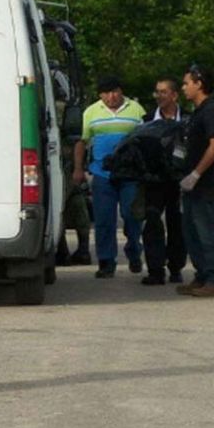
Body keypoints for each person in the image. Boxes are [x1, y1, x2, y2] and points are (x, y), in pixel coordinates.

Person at [73, 76, 145, 278]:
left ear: (121, 91)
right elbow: (82, 142)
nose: (111, 97)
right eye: (106, 93)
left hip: (130, 174)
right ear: (100, 95)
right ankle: (106, 261)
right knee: (104, 219)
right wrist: (78, 169)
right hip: (102, 174)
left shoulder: (136, 110)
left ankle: (134, 250)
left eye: (115, 92)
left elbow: (145, 140)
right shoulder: (91, 112)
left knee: (132, 216)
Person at [175, 65, 214, 297]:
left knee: (208, 231)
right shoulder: (197, 112)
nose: (183, 87)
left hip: (207, 183)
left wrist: (197, 174)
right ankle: (202, 275)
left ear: (199, 84)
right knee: (192, 232)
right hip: (192, 184)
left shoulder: (212, 111)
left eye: (187, 83)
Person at [139, 77, 190, 285]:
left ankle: (176, 267)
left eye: (164, 92)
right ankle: (155, 270)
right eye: (157, 92)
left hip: (180, 181)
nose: (159, 96)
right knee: (152, 222)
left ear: (174, 95)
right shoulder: (147, 120)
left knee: (177, 224)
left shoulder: (188, 119)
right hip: (154, 180)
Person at [50, 61, 92, 266]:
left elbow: (76, 139)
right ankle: (77, 250)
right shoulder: (69, 107)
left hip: (61, 161)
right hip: (65, 161)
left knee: (61, 205)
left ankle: (65, 251)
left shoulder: (59, 108)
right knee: (75, 204)